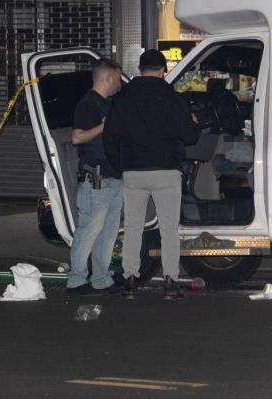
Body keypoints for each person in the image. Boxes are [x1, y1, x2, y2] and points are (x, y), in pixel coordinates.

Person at [104, 49, 199, 300]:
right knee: (168, 229)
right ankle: (170, 283)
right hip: (166, 171)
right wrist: (193, 122)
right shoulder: (173, 99)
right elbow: (190, 137)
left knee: (134, 227)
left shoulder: (122, 99)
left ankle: (130, 281)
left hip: (133, 172)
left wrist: (119, 166)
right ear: (163, 70)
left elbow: (110, 137)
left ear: (140, 69)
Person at [66, 59, 123, 296]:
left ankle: (101, 279)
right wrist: (103, 127)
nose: (119, 83)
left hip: (112, 176)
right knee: (89, 230)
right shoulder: (88, 104)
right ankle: (76, 280)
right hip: (97, 178)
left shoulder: (106, 104)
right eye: (118, 78)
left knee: (107, 233)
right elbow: (77, 137)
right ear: (108, 78)